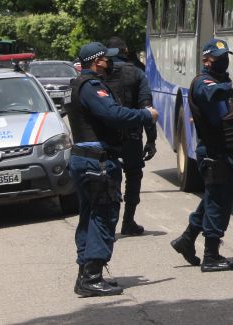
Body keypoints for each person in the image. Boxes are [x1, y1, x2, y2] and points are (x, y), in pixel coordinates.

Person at [67, 42, 159, 297]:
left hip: (86, 159)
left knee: (89, 216)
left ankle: (85, 273)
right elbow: (113, 114)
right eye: (106, 59)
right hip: (97, 161)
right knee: (103, 216)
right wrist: (145, 115)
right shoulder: (91, 86)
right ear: (97, 62)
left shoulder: (77, 84)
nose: (111, 62)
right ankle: (92, 276)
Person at [170, 38, 233, 272]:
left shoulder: (221, 82)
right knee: (218, 203)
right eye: (219, 59)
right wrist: (232, 88)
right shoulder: (203, 83)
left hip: (225, 151)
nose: (223, 62)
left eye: (225, 58)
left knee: (213, 198)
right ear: (207, 60)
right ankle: (211, 256)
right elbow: (212, 94)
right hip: (213, 152)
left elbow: (229, 113)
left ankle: (187, 239)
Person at [105, 36, 157, 235]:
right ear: (125, 51)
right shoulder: (136, 73)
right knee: (133, 176)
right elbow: (147, 107)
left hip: (106, 136)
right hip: (132, 136)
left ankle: (109, 223)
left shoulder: (100, 74)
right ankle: (128, 221)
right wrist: (151, 139)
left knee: (109, 177)